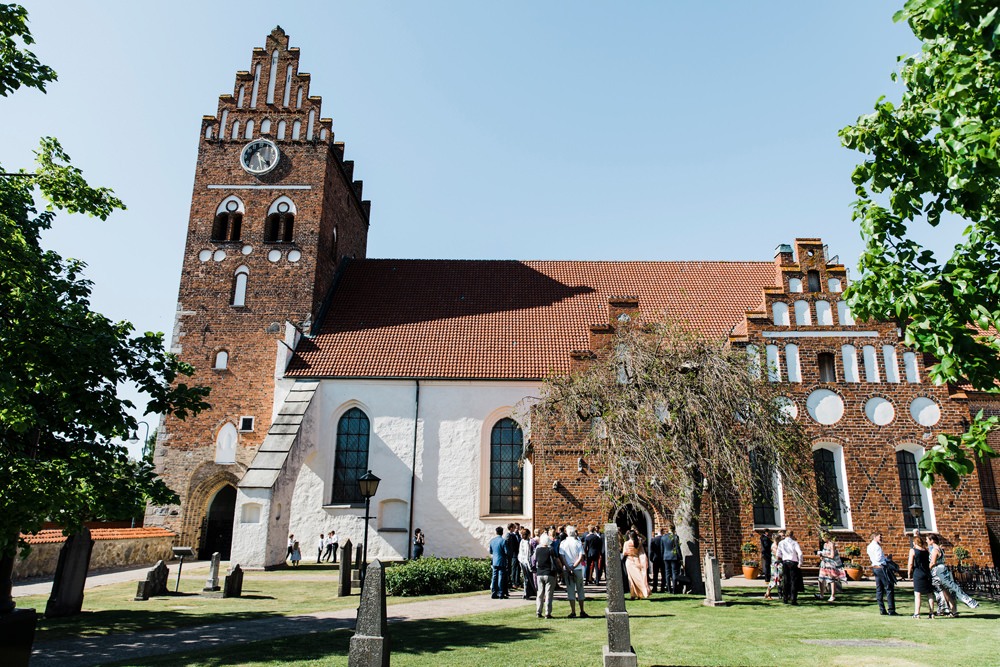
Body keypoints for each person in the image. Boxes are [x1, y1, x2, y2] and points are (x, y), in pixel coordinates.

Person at [927, 533, 978, 616]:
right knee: (947, 591)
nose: (926, 541)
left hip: (938, 571)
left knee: (940, 590)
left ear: (932, 541)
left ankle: (944, 609)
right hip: (942, 570)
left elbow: (933, 562)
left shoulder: (935, 550)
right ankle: (951, 611)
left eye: (928, 540)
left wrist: (927, 570)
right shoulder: (939, 548)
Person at [559, 525, 589, 617]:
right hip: (578, 568)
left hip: (568, 568)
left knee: (570, 589)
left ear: (567, 533)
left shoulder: (563, 543)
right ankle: (582, 610)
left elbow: (562, 556)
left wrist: (568, 567)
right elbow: (581, 556)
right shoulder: (578, 542)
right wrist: (575, 565)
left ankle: (573, 611)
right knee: (580, 589)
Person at [868, 531, 898, 615]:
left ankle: (882, 609)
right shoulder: (877, 547)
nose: (881, 538)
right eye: (879, 537)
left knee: (879, 589)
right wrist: (887, 559)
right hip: (881, 568)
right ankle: (891, 610)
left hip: (875, 568)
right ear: (875, 537)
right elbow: (879, 559)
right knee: (889, 587)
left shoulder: (869, 546)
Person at [907, 533, 935, 619]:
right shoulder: (926, 551)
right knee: (929, 594)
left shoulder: (913, 550)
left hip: (918, 573)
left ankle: (917, 613)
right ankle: (931, 613)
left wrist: (909, 573)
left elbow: (910, 563)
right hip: (926, 573)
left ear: (914, 542)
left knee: (917, 594)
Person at [817, 532, 847, 602]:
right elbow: (824, 553)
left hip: (831, 564)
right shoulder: (825, 545)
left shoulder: (831, 545)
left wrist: (824, 556)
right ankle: (821, 594)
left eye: (823, 537)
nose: (822, 539)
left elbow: (832, 556)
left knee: (831, 579)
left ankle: (832, 595)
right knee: (821, 578)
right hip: (824, 563)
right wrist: (822, 557)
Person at [534, 533, 558, 618]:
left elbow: (535, 560)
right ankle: (547, 613)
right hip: (549, 573)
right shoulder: (550, 550)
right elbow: (554, 561)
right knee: (548, 594)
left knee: (540, 593)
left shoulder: (538, 550)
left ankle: (538, 611)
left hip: (540, 573)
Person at [776, 528, 803, 605]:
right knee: (793, 581)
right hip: (793, 562)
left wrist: (783, 557)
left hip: (785, 562)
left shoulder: (781, 543)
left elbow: (778, 554)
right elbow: (800, 553)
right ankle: (793, 599)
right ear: (792, 535)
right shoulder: (794, 543)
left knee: (786, 580)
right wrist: (800, 562)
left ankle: (785, 598)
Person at [622, 529, 651, 599]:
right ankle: (639, 594)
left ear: (629, 536)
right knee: (638, 576)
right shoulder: (638, 542)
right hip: (637, 560)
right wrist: (639, 534)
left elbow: (624, 553)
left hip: (629, 560)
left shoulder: (626, 543)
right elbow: (645, 538)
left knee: (631, 579)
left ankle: (636, 594)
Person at [489, 526, 509, 599]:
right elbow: (506, 552)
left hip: (494, 561)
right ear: (502, 532)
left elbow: (491, 551)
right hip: (501, 561)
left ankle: (493, 592)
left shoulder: (492, 541)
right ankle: (501, 593)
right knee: (500, 577)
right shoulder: (503, 541)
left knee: (494, 577)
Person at [661, 524, 681, 594]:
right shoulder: (675, 537)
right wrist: (680, 557)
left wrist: (663, 557)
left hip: (666, 556)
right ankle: (674, 590)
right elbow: (677, 548)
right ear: (674, 529)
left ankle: (669, 589)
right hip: (674, 556)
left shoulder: (663, 538)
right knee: (674, 572)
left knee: (667, 573)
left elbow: (662, 549)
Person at [518, 527, 537, 599]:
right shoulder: (526, 543)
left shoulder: (521, 541)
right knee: (528, 578)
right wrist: (530, 565)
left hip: (521, 561)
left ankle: (527, 593)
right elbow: (528, 554)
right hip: (526, 562)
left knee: (525, 578)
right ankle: (527, 593)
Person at [764, 531, 783, 601]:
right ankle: (768, 592)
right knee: (775, 580)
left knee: (780, 579)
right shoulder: (775, 546)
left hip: (779, 564)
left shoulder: (777, 545)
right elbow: (778, 556)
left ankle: (782, 594)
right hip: (776, 565)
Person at [505, 523, 521, 590]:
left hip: (516, 553)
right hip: (512, 554)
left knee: (517, 568)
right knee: (512, 568)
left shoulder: (516, 535)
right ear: (511, 528)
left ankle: (516, 582)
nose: (516, 529)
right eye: (515, 528)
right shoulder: (509, 535)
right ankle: (511, 583)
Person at [649, 527, 665, 593]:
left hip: (655, 558)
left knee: (655, 574)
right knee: (663, 573)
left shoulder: (653, 540)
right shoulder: (664, 539)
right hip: (663, 558)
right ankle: (662, 588)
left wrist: (651, 558)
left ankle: (654, 587)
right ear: (662, 532)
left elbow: (651, 550)